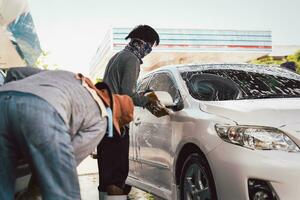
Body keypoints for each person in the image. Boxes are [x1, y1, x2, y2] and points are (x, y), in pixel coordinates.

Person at [0, 67, 109, 199]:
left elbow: (14, 72)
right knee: (63, 193)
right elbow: (66, 161)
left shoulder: (69, 75)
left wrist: (10, 102)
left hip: (3, 96)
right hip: (41, 110)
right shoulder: (101, 119)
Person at [97, 25, 161, 199]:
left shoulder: (116, 57)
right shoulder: (131, 59)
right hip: (116, 123)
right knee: (116, 177)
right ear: (143, 42)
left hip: (105, 119)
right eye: (150, 46)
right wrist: (149, 100)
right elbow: (128, 95)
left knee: (107, 174)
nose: (148, 51)